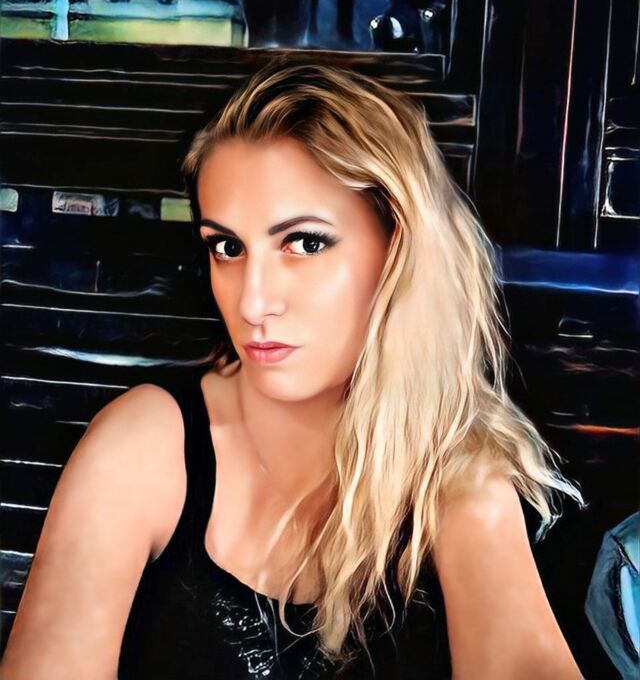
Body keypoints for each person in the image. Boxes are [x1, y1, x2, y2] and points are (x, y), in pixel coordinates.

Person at [0, 61, 587, 679]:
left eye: (304, 243)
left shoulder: (462, 485)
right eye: (227, 247)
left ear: (400, 250)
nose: (253, 302)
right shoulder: (144, 446)